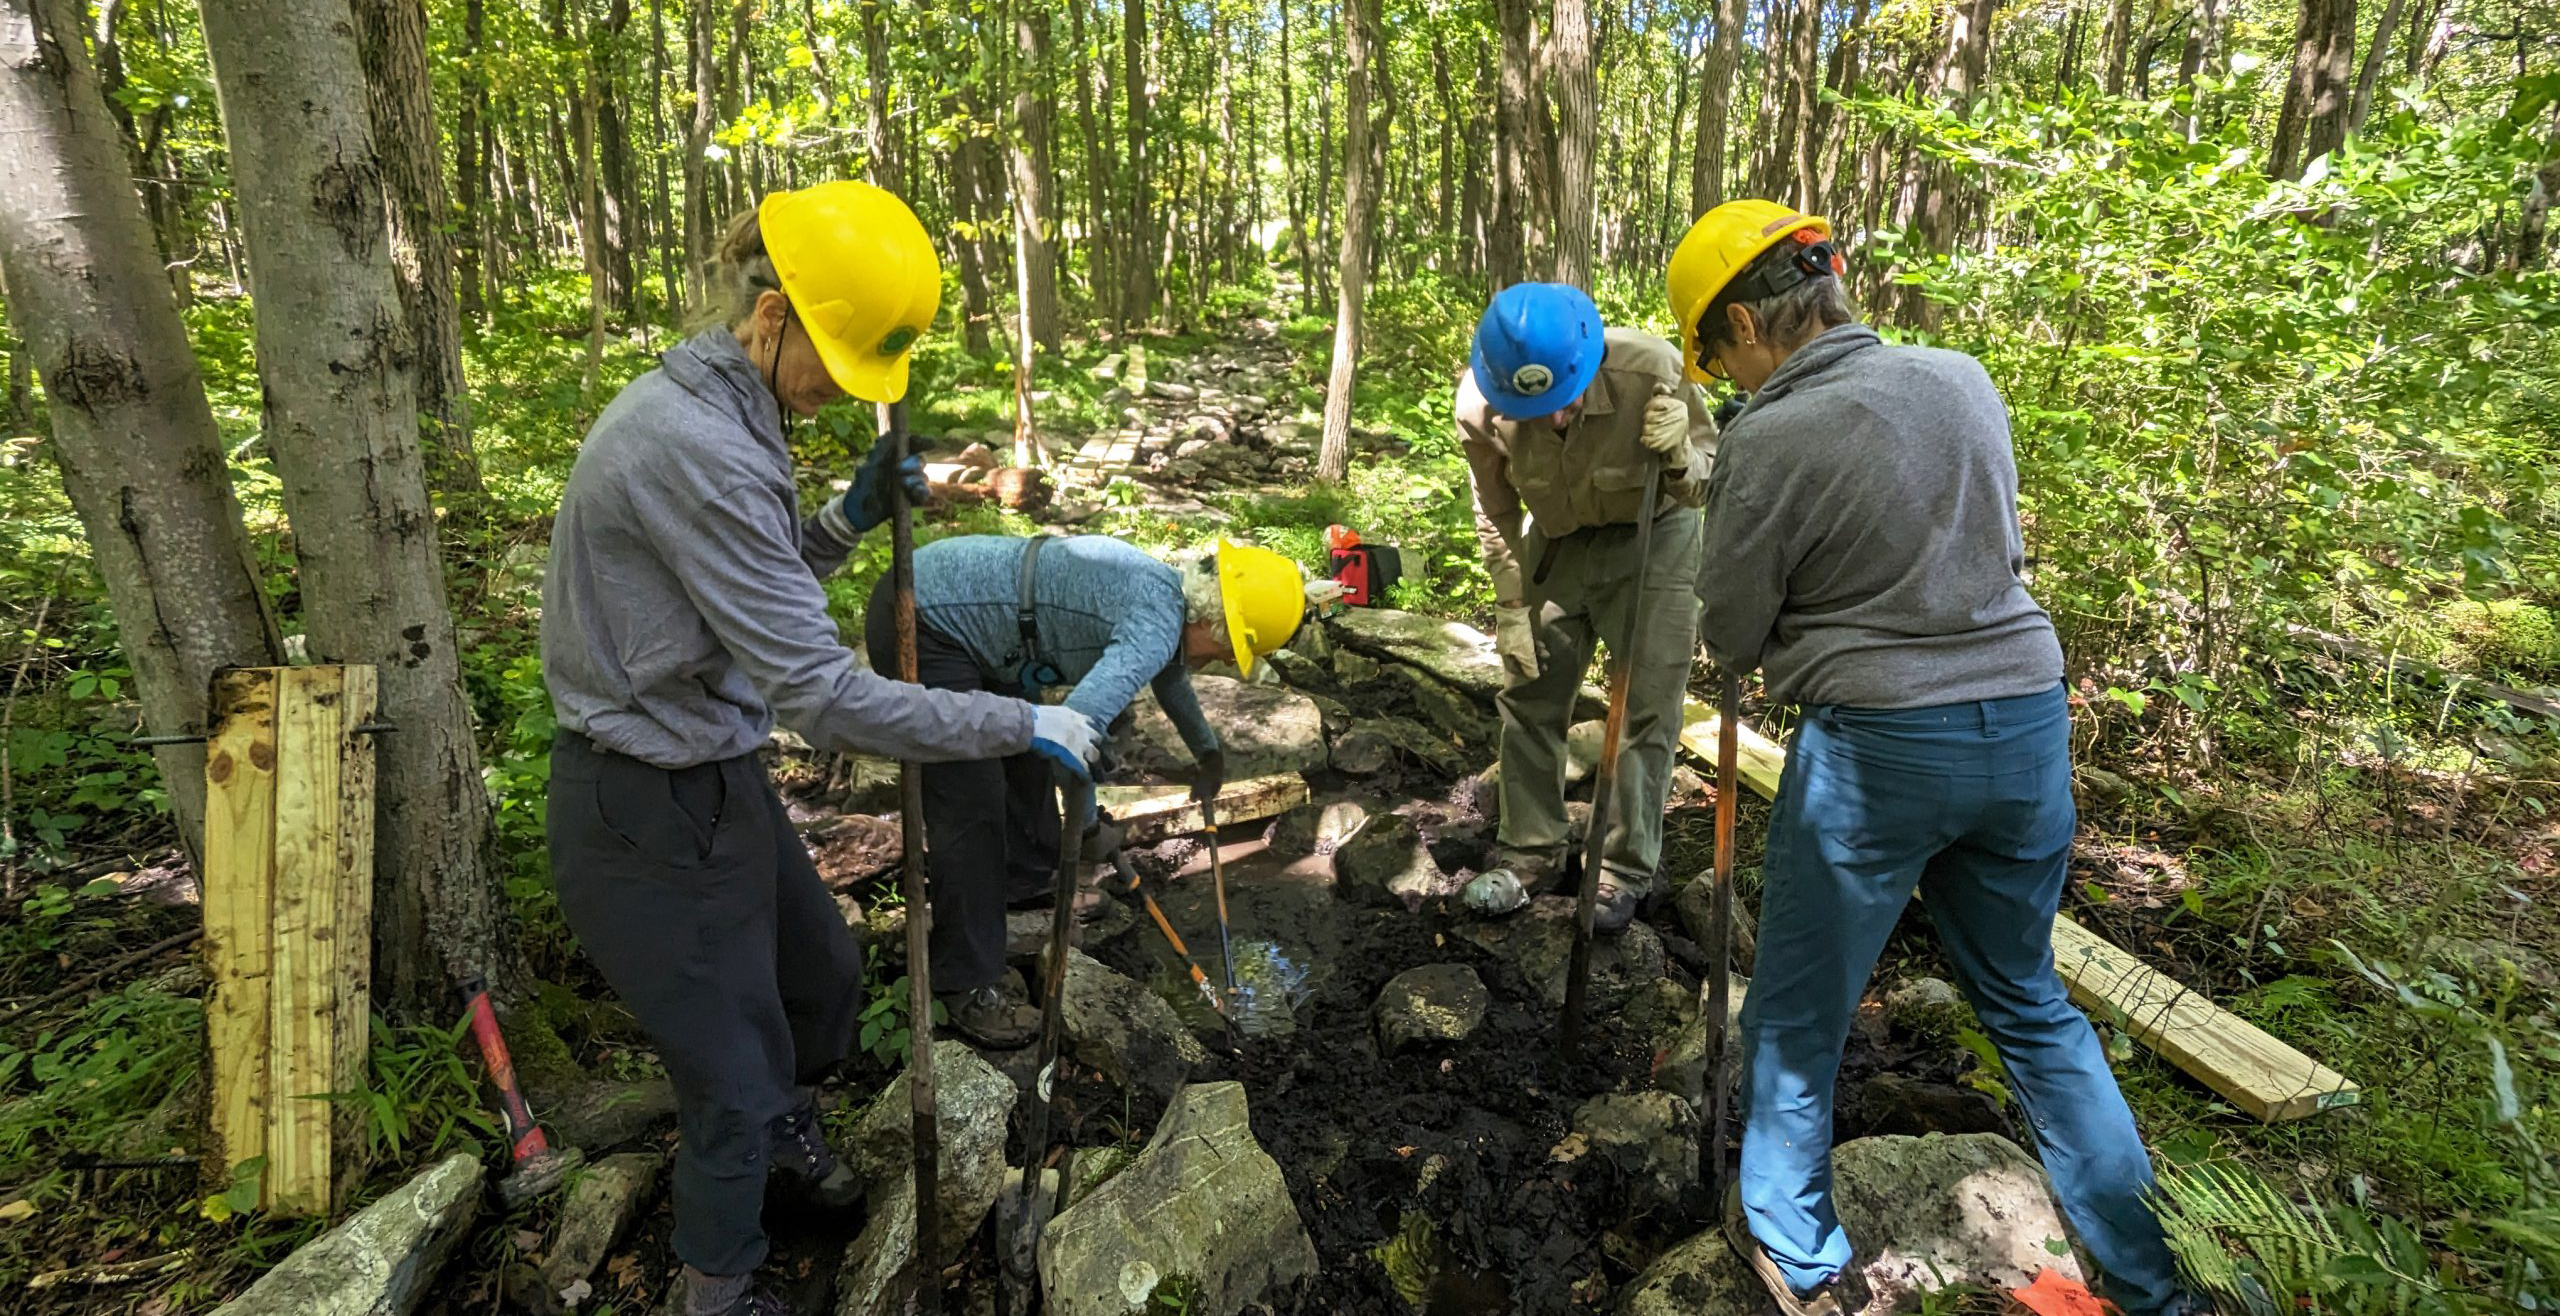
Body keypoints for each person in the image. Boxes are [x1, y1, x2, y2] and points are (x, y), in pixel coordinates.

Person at [539, 181, 1105, 1316]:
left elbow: (747, 585)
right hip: (638, 799)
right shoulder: (689, 442)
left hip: (712, 769)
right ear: (769, 312)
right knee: (729, 1073)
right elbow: (825, 696)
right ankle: (719, 1277)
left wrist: (838, 523)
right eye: (832, 361)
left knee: (823, 978)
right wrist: (1022, 721)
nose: (841, 391)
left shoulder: (740, 413)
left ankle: (782, 1140)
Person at [1668, 199, 2193, 1316]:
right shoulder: (1962, 376)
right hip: (2025, 726)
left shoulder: (1769, 433)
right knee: (2028, 998)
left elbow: (1729, 629)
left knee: (1799, 1018)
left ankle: (1801, 1262)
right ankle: (2155, 1285)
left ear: (1752, 326)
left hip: (1878, 750)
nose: (1724, 378)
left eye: (1717, 354)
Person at [861, 534, 1306, 1045]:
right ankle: (964, 984)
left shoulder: (1165, 597)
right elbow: (1074, 734)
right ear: (1216, 621)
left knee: (1023, 753)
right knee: (972, 800)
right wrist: (1089, 824)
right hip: (922, 621)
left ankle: (1023, 881)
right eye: (1235, 648)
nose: (1230, 662)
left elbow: (1169, 675)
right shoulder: (1157, 621)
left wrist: (1207, 752)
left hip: (975, 631)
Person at [1454, 282, 1719, 932]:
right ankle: (1533, 849)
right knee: (1529, 692)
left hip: (1654, 537)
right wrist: (1511, 601)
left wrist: (1683, 455)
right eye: (1532, 407)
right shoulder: (1479, 404)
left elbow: (1712, 476)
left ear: (1592, 361)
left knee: (1645, 708)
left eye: (1561, 400)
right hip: (1556, 542)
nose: (1553, 419)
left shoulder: (1653, 370)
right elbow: (1495, 508)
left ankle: (1623, 871)